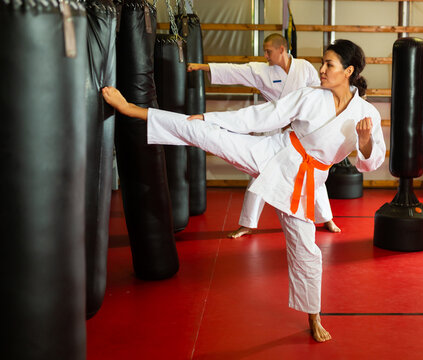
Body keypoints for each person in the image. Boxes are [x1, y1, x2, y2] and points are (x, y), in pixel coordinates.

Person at [102, 39, 386, 342]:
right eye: (323, 61)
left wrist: (365, 141)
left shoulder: (366, 114)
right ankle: (134, 110)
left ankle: (314, 316)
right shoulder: (310, 96)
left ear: (349, 70)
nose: (321, 69)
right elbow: (262, 116)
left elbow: (371, 163)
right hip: (273, 152)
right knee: (204, 132)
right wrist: (209, 117)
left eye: (329, 64)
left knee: (307, 252)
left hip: (304, 182)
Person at [188, 33, 341, 238]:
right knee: (259, 174)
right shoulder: (262, 71)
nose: (265, 56)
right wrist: (204, 67)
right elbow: (236, 71)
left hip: (300, 130)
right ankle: (248, 223)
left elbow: (320, 92)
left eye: (268, 51)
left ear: (281, 49)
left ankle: (326, 217)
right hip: (272, 127)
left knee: (311, 172)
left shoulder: (303, 67)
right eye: (264, 52)